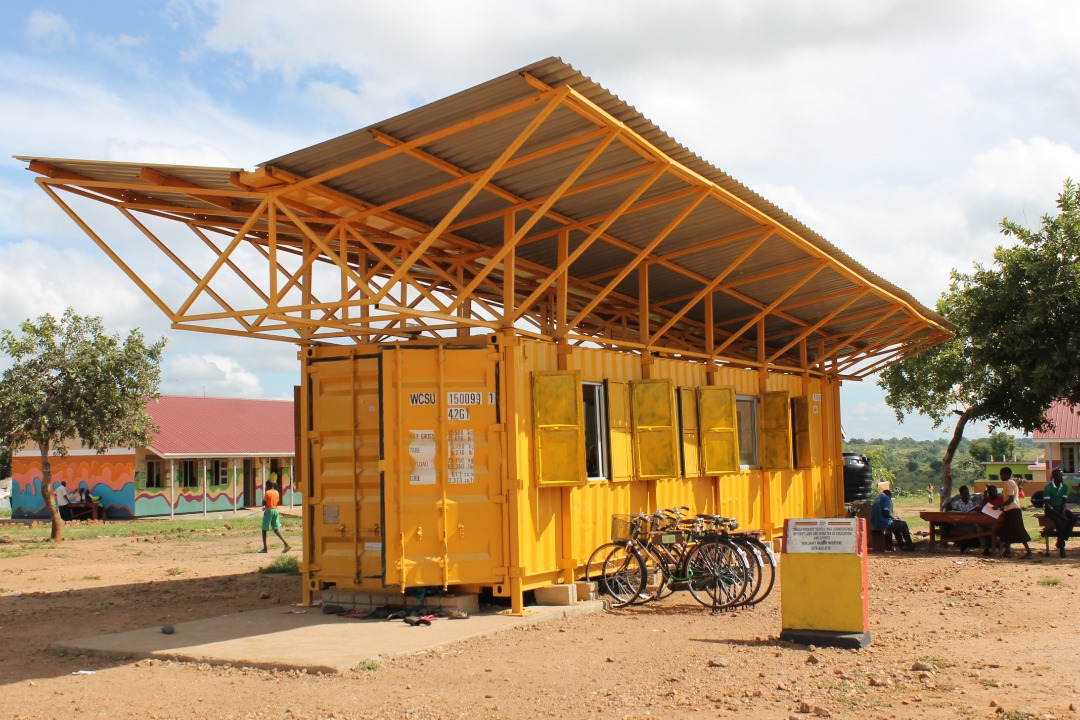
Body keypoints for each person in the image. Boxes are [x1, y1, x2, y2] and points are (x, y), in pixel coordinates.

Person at [997, 467, 1032, 558]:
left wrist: (999, 505)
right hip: (1009, 510)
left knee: (1019, 530)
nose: (1001, 476)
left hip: (1013, 510)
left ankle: (1029, 552)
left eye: (1001, 474)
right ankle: (1007, 552)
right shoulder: (1010, 483)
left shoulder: (1009, 483)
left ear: (1006, 474)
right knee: (1007, 530)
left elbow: (1011, 499)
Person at [1044, 467, 1076, 558]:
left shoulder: (1064, 487)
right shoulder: (1048, 488)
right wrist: (1060, 515)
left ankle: (1062, 539)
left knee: (1073, 517)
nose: (1061, 478)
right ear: (1053, 477)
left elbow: (1064, 501)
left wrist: (1063, 509)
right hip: (1050, 510)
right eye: (1059, 476)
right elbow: (1047, 506)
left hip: (1059, 508)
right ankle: (1062, 549)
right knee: (1059, 522)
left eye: (1061, 476)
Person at [943, 485, 979, 551]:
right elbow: (952, 512)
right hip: (960, 523)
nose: (967, 495)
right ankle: (963, 544)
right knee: (971, 531)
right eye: (965, 493)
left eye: (968, 493)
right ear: (961, 494)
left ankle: (964, 544)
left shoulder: (971, 503)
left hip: (970, 523)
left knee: (977, 529)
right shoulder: (957, 503)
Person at [259, 481, 291, 554]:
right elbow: (276, 502)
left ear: (267, 486)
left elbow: (263, 503)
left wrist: (266, 507)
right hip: (275, 511)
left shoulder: (267, 493)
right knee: (276, 529)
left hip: (269, 511)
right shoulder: (277, 492)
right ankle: (286, 544)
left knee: (264, 529)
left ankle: (265, 549)